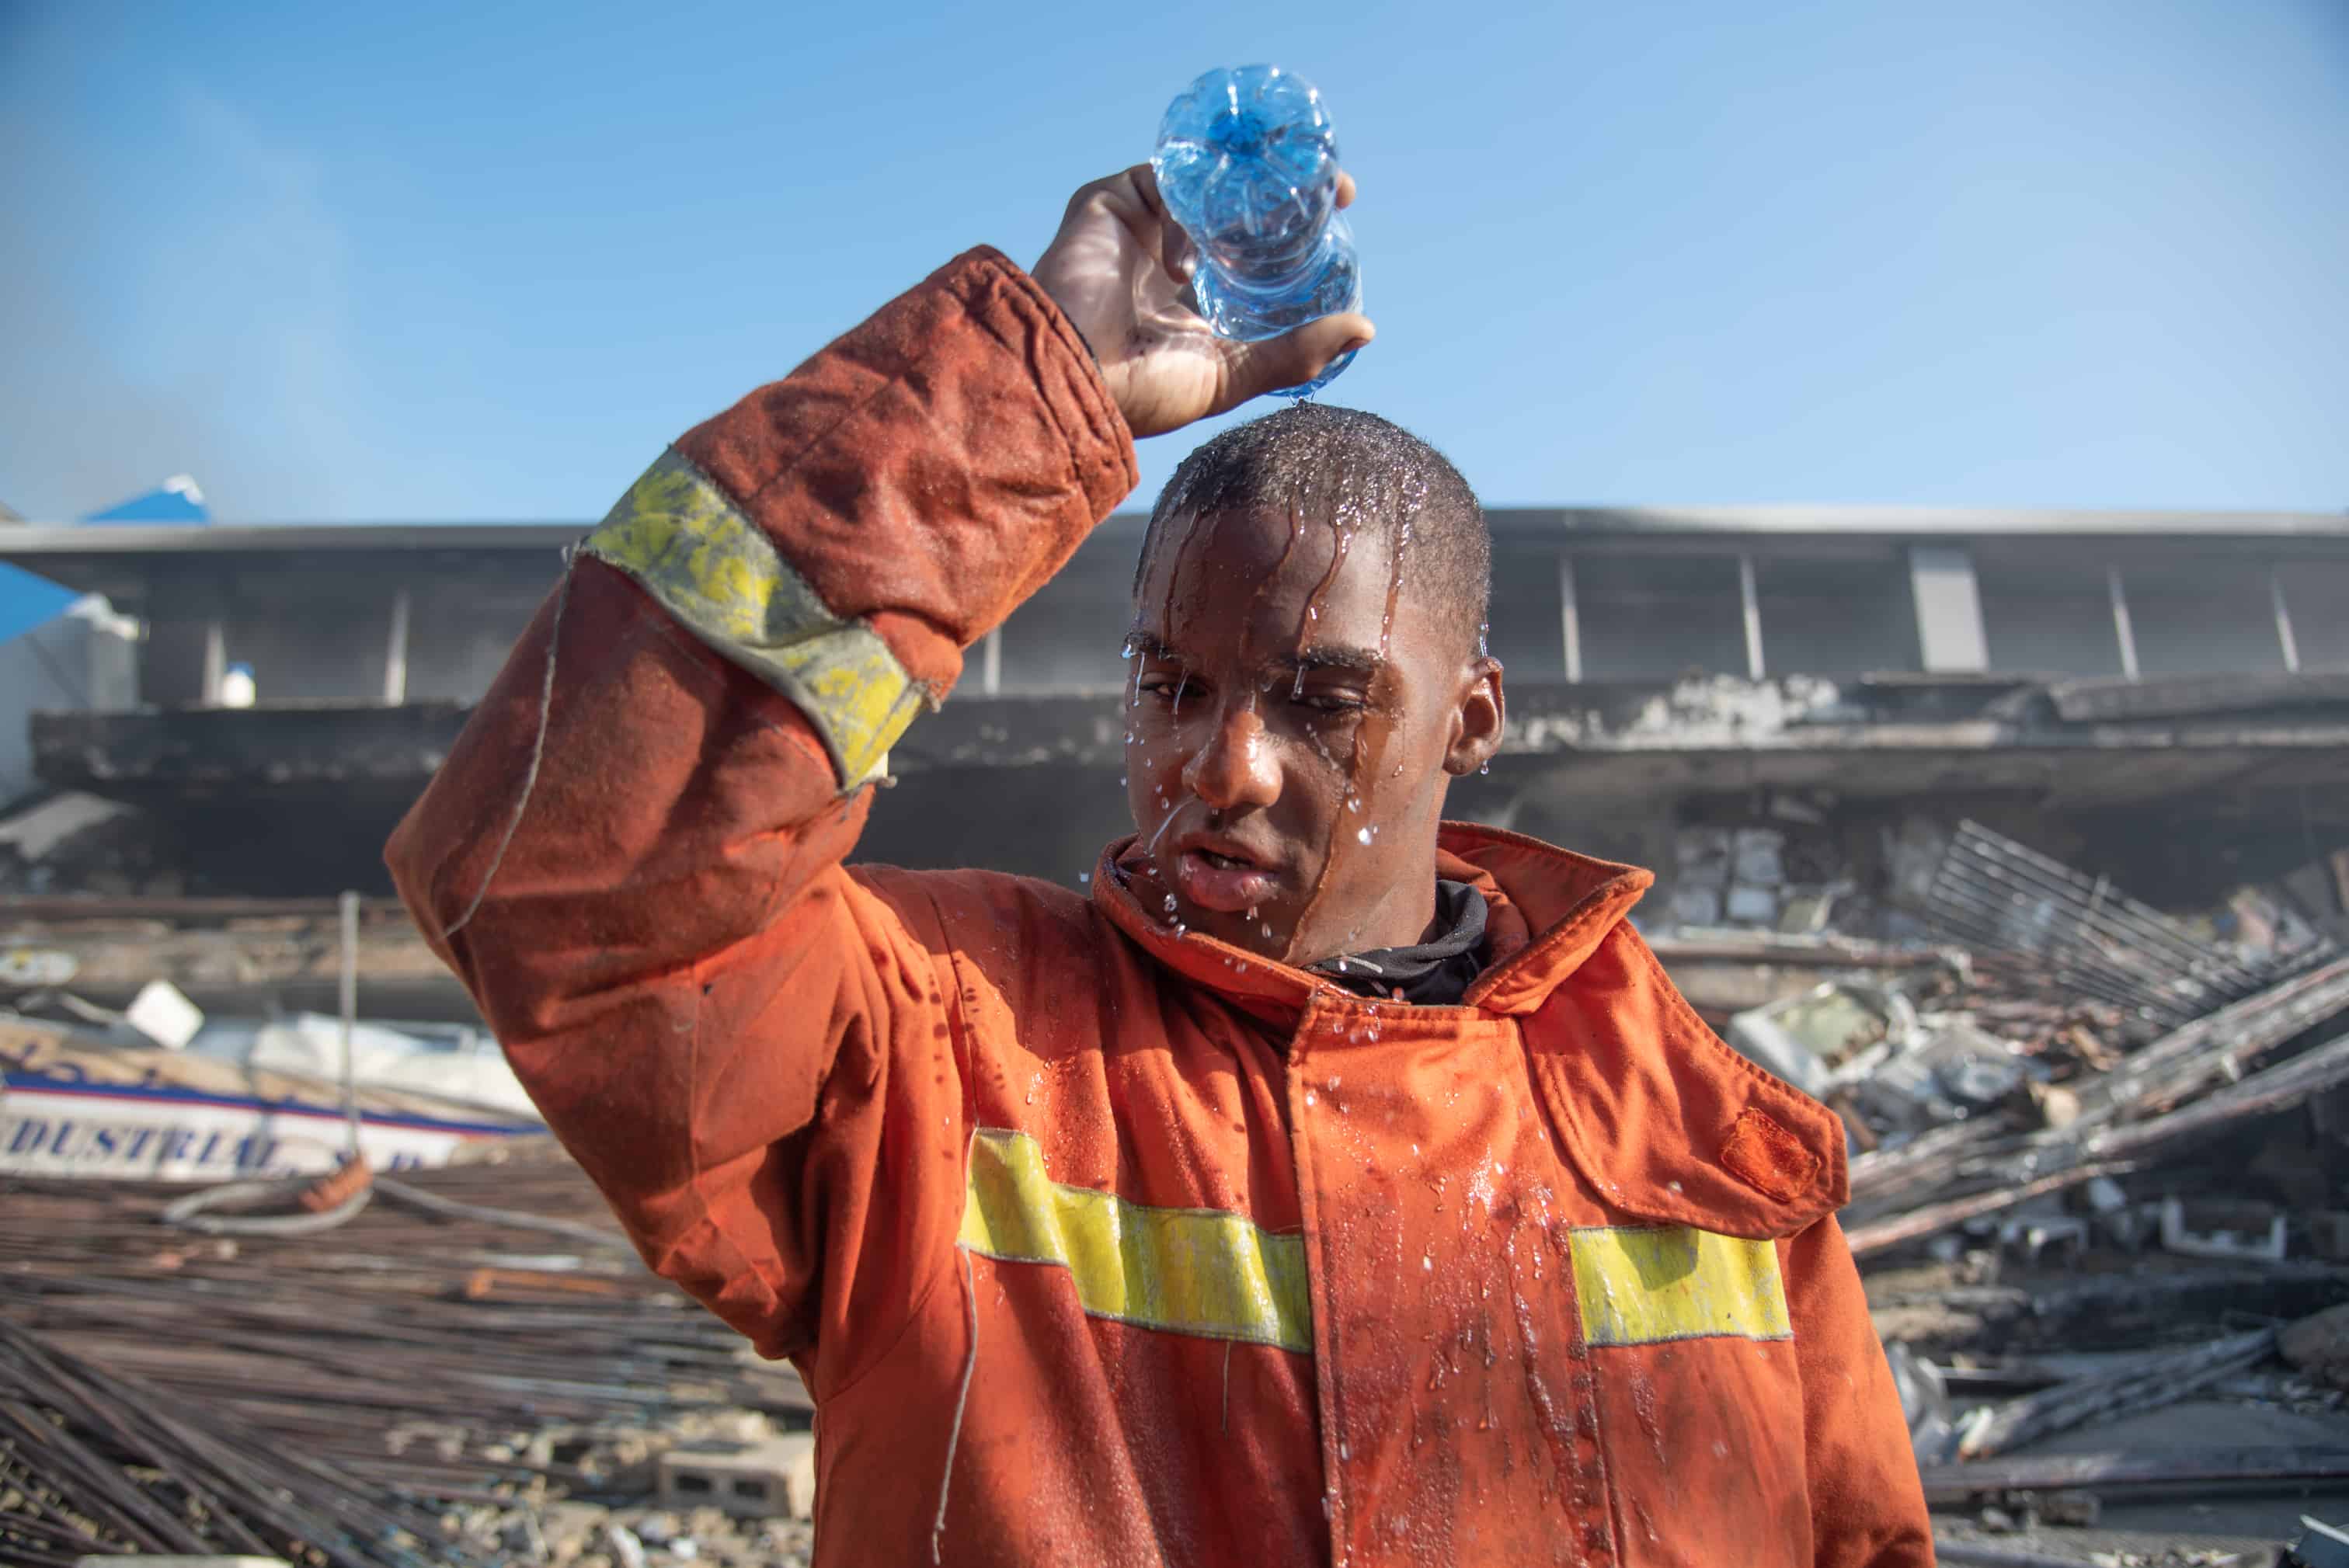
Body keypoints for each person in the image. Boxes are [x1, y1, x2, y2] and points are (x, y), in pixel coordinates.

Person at [387, 162, 1932, 1567]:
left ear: (1470, 719)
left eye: (1323, 699)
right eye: (1176, 686)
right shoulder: (945, 1044)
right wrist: (1020, 391)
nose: (1222, 766)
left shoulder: (1703, 1145)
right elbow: (565, 887)